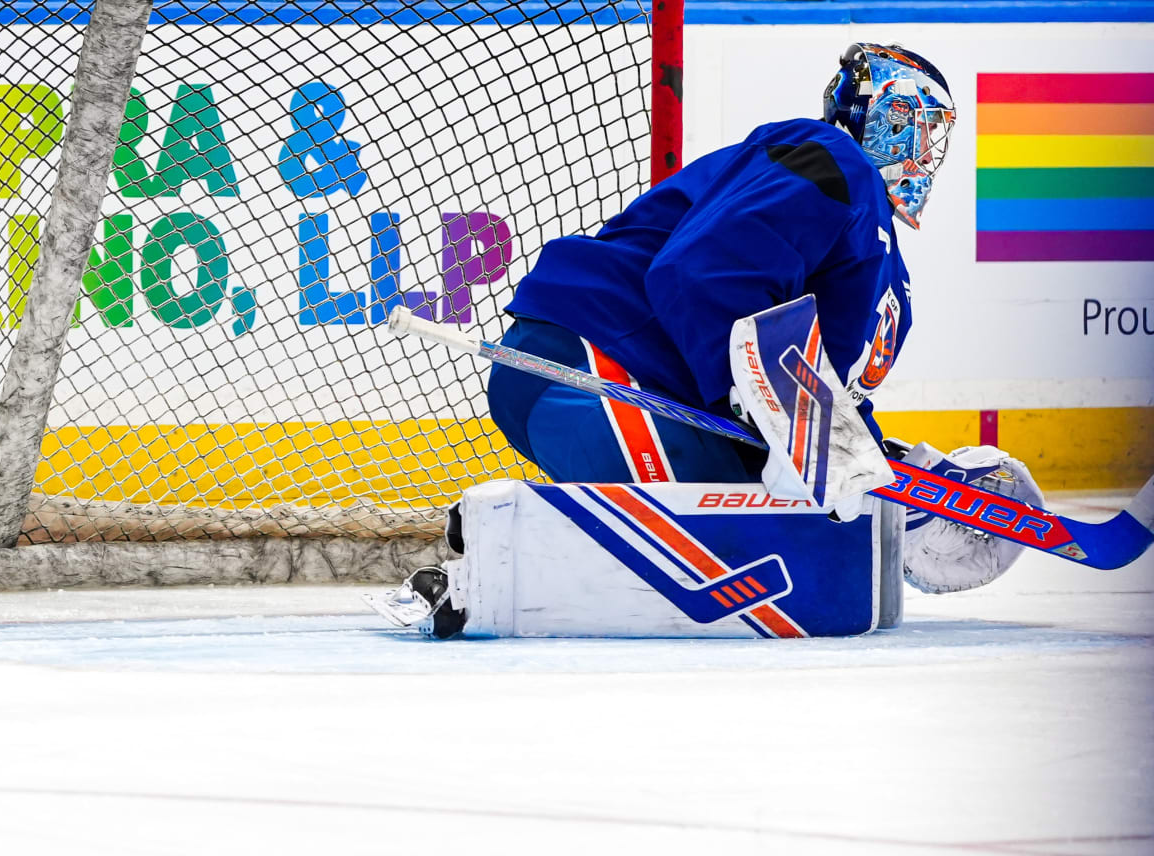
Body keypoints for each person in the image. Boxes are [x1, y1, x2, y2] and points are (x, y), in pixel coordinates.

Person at [383, 43, 1047, 638]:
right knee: (765, 548)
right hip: (595, 363)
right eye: (915, 125)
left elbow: (816, 389)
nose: (925, 152)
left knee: (815, 547)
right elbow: (705, 272)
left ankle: (504, 532)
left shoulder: (880, 258)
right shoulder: (832, 158)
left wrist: (888, 470)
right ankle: (499, 562)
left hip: (643, 387)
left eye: (936, 135)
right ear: (878, 117)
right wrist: (789, 425)